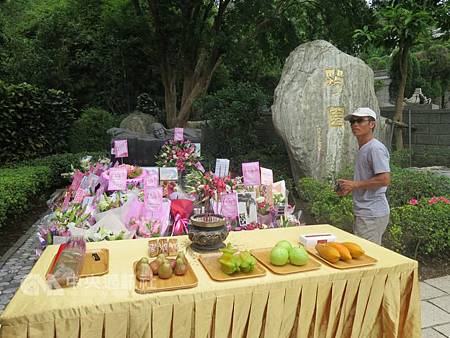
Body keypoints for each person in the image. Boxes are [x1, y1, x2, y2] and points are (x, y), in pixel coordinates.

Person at [337, 107, 390, 245]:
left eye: (360, 120)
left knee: (368, 255)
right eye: (352, 122)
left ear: (372, 124)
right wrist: (350, 188)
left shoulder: (375, 148)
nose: (355, 124)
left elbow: (384, 179)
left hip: (371, 213)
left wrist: (354, 184)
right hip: (365, 211)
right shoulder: (364, 147)